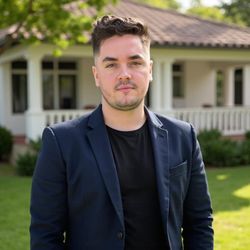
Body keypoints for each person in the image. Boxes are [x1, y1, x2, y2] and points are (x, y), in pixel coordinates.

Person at [30, 15, 213, 250]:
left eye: (135, 62)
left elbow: (199, 224)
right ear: (97, 75)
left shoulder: (183, 136)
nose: (124, 73)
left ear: (150, 69)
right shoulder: (61, 142)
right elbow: (46, 236)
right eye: (111, 64)